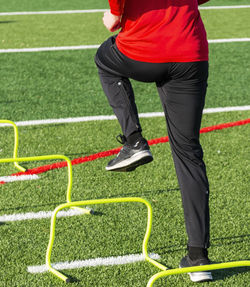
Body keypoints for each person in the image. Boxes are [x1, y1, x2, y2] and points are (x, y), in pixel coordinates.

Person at [95, 0, 212, 282]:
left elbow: (114, 15)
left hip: (143, 48)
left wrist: (114, 14)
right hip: (190, 51)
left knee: (105, 59)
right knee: (189, 153)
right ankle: (198, 258)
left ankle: (134, 140)